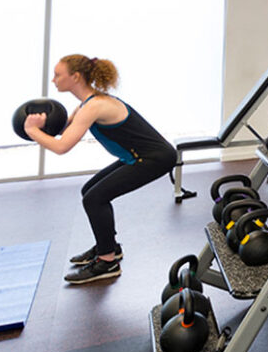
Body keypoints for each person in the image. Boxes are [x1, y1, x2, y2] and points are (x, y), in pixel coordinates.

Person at [24, 55, 177, 283]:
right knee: (89, 190)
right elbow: (64, 130)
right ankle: (109, 246)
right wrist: (42, 124)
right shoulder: (87, 104)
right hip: (135, 156)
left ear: (75, 77)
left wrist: (31, 130)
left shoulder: (95, 106)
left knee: (95, 199)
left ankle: (107, 262)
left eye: (58, 75)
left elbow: (62, 146)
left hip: (154, 158)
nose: (53, 80)